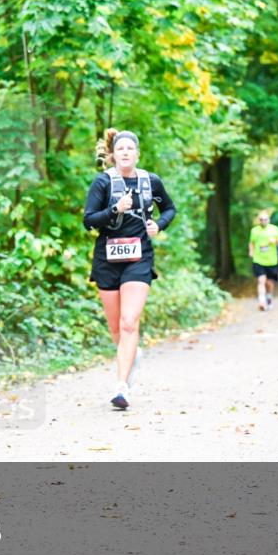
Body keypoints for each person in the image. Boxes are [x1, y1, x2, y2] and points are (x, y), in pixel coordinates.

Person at [84, 129, 176, 410]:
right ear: (113, 154)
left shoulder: (151, 182)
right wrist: (115, 210)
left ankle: (122, 387)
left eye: (130, 148)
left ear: (137, 153)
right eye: (120, 148)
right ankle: (132, 355)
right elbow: (89, 221)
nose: (125, 152)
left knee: (128, 322)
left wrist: (158, 225)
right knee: (115, 328)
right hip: (107, 259)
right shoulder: (103, 183)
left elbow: (169, 209)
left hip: (139, 258)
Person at [248, 211, 278, 311]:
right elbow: (251, 243)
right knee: (261, 280)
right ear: (259, 220)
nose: (263, 221)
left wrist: (275, 241)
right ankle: (262, 301)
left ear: (269, 220)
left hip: (271, 261)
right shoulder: (254, 230)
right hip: (258, 259)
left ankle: (269, 297)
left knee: (269, 283)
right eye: (261, 219)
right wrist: (251, 251)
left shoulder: (274, 229)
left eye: (265, 219)